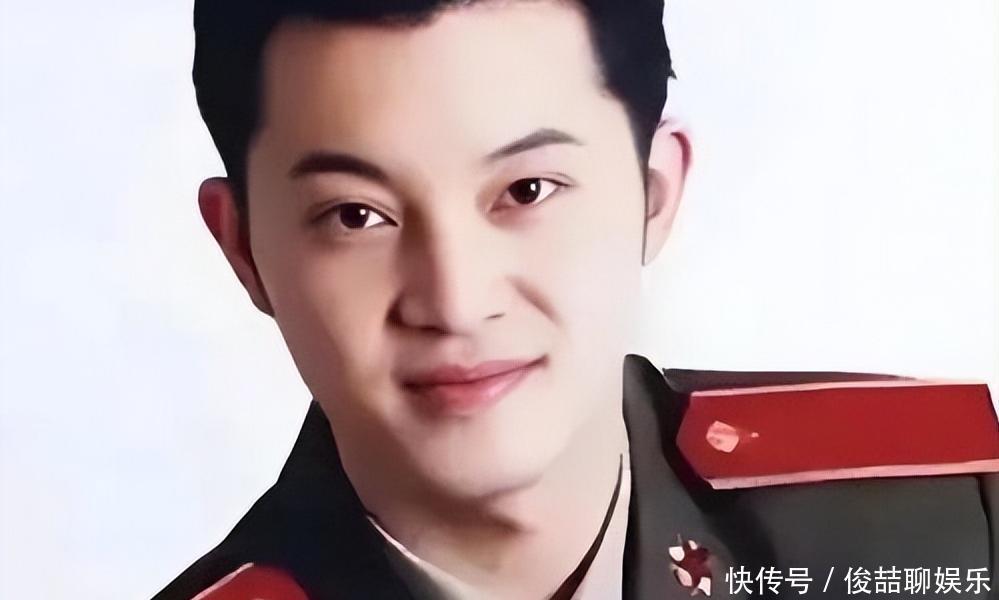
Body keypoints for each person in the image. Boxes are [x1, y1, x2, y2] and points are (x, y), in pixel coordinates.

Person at [155, 1, 999, 598]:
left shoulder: (950, 515)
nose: (456, 301)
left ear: (654, 194)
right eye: (355, 215)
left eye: (526, 190)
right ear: (244, 250)